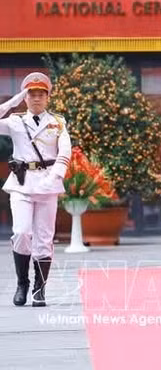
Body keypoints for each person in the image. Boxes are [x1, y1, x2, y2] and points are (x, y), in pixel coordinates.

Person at [1, 73, 71, 307]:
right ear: (26, 97)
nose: (36, 98)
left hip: (48, 183)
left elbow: (65, 150)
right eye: (31, 94)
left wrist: (56, 175)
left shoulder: (58, 122)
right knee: (21, 232)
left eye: (41, 94)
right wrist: (13, 101)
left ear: (48, 97)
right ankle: (22, 283)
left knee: (44, 238)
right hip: (21, 183)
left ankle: (39, 289)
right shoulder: (15, 120)